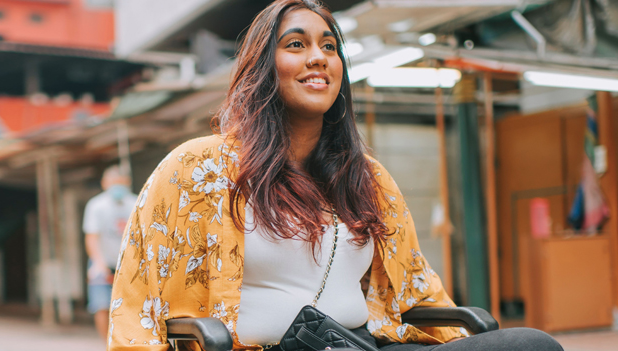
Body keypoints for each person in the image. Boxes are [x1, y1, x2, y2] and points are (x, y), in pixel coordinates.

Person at [107, 1, 563, 350]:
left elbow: (416, 288)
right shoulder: (196, 169)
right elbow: (138, 301)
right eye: (296, 44)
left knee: (530, 345)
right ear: (262, 66)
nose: (318, 57)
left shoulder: (368, 177)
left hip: (362, 342)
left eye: (329, 46)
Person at [84, 165, 138, 340]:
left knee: (133, 306)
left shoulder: (136, 202)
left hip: (129, 265)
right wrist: (99, 263)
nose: (117, 187)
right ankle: (108, 345)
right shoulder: (96, 205)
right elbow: (91, 237)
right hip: (102, 262)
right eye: (114, 183)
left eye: (120, 183)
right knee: (101, 306)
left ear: (127, 183)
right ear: (104, 183)